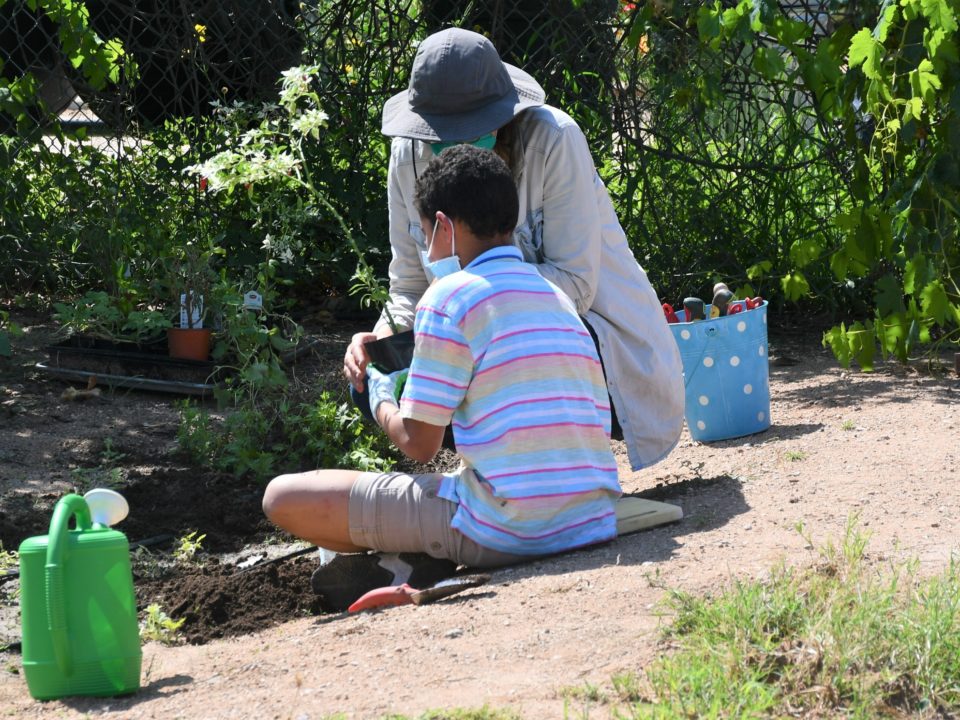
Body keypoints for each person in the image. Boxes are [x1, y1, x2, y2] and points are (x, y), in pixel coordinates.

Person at [263, 145, 622, 610]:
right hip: (591, 518)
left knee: (282, 497)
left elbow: (420, 445)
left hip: (507, 530)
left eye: (428, 234)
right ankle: (406, 554)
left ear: (446, 227)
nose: (429, 248)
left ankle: (406, 559)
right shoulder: (555, 294)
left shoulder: (448, 295)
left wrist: (378, 396)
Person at [343, 27, 684, 472]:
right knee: (372, 378)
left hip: (583, 339)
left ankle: (544, 471)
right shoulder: (407, 152)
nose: (453, 144)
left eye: (468, 131)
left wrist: (465, 298)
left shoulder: (555, 139)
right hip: (470, 335)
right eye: (441, 134)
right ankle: (503, 468)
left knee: (480, 346)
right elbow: (408, 285)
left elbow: (575, 286)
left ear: (503, 117)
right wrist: (382, 337)